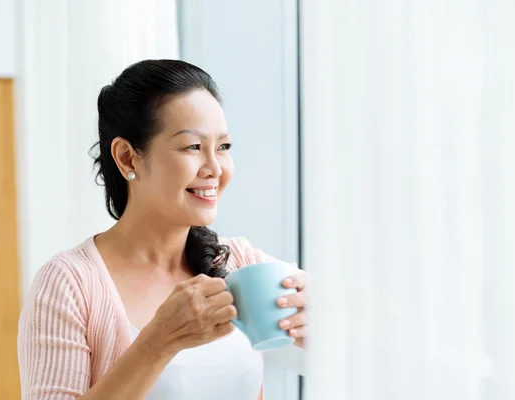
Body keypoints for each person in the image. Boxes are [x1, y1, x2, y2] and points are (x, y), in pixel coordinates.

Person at [17, 59, 309, 400]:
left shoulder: (242, 261)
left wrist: (323, 327)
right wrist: (159, 341)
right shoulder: (68, 284)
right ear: (127, 158)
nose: (215, 168)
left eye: (223, 147)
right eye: (193, 147)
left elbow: (363, 336)